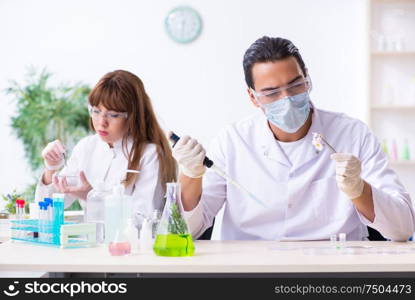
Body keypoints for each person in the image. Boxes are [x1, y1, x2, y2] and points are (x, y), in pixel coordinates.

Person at [172, 36, 415, 241]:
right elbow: (185, 233)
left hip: (332, 272)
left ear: (308, 79)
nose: (287, 99)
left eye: (295, 85)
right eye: (271, 92)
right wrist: (191, 177)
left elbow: (402, 228)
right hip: (250, 271)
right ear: (253, 97)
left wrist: (359, 189)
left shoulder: (352, 134)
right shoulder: (233, 140)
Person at [35, 70, 177, 225]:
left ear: (133, 116)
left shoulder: (149, 154)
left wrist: (92, 196)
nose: (101, 122)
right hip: (91, 244)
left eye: (113, 115)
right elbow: (45, 212)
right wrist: (50, 170)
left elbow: (144, 222)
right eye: (96, 111)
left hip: (129, 247)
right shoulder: (86, 147)